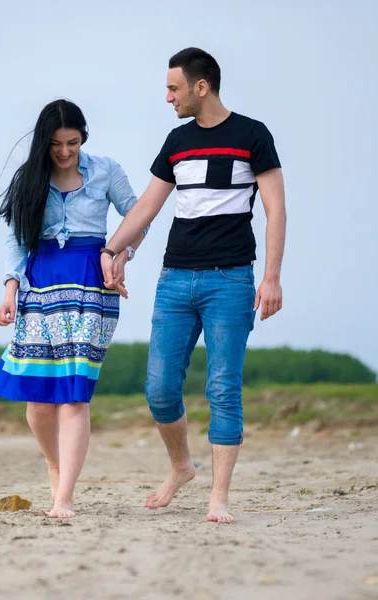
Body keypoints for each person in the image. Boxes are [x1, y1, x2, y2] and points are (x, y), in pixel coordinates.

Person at [100, 48, 286, 523]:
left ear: (200, 87)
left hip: (231, 280)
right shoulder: (176, 141)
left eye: (173, 88)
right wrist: (111, 250)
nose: (168, 98)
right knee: (159, 388)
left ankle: (218, 499)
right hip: (175, 279)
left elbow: (275, 209)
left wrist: (271, 276)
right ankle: (182, 466)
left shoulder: (252, 135)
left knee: (224, 388)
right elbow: (146, 207)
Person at [0, 99, 144, 518]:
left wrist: (121, 253)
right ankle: (54, 463)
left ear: (84, 138)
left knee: (74, 393)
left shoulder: (107, 170)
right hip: (39, 284)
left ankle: (65, 496)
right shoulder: (30, 179)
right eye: (56, 144)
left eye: (72, 143)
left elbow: (138, 215)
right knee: (39, 397)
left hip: (92, 281)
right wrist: (10, 290)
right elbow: (17, 240)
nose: (64, 152)